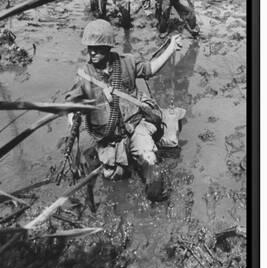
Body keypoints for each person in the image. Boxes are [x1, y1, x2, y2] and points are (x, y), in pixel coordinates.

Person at [65, 19, 182, 200]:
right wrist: (73, 118)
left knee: (150, 161)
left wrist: (171, 48)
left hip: (135, 125)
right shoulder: (84, 76)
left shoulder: (126, 63)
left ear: (108, 47)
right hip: (108, 137)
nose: (92, 52)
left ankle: (156, 194)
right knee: (114, 176)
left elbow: (151, 69)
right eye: (90, 48)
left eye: (98, 47)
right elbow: (70, 104)